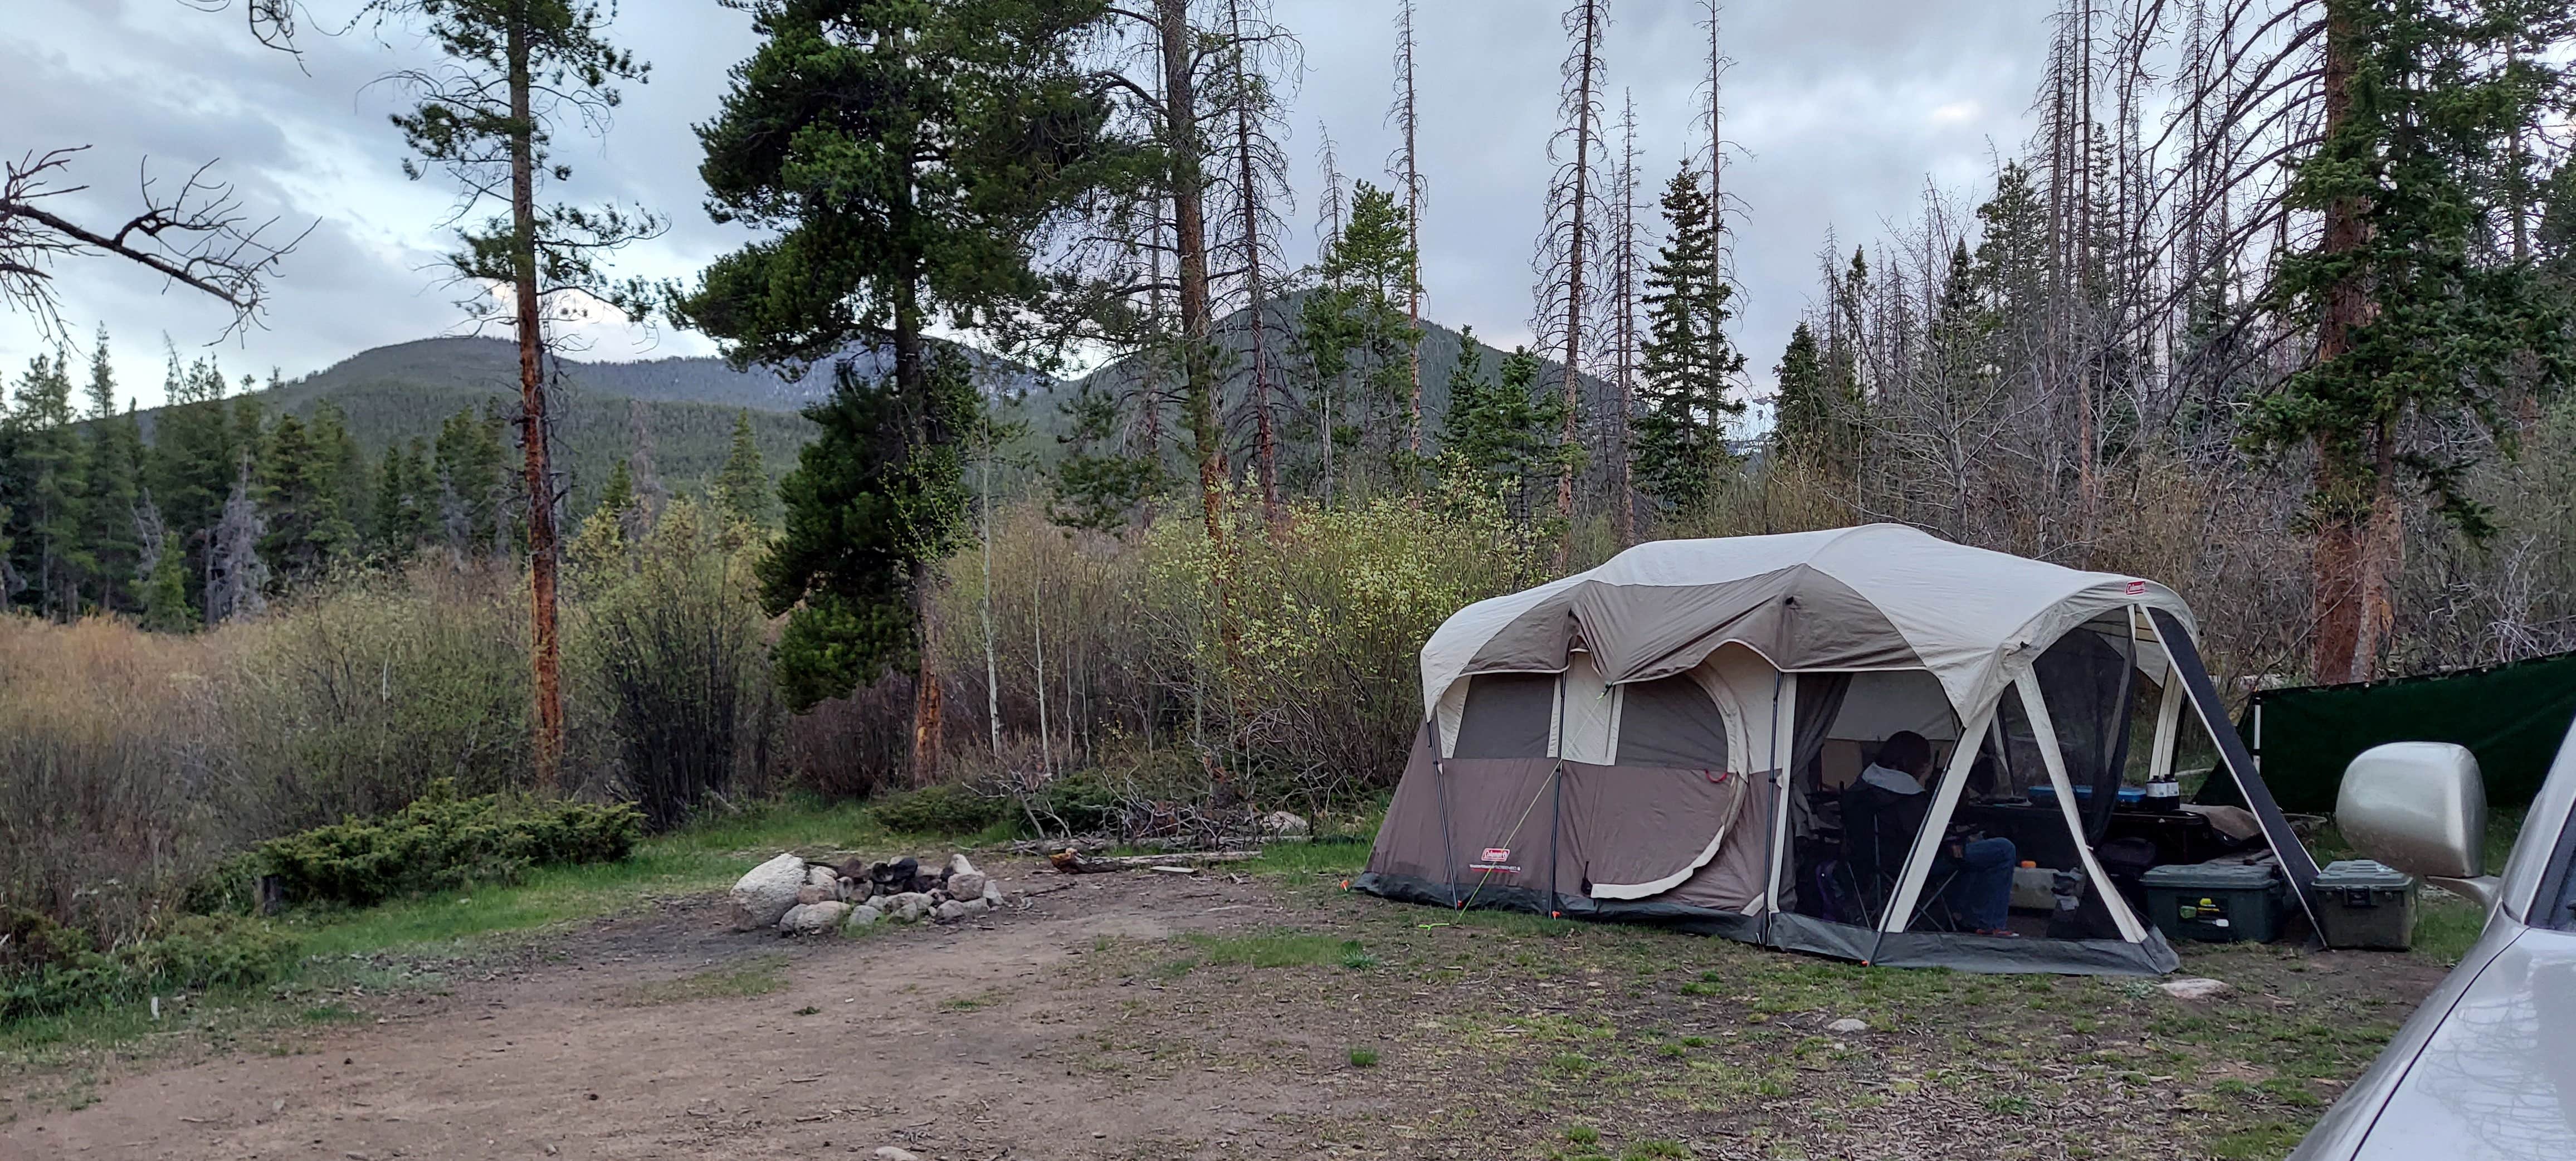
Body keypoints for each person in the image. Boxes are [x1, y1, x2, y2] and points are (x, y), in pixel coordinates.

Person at [1841, 730, 2019, 936]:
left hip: (1871, 864)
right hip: (1912, 866)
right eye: (1924, 764)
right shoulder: (1906, 796)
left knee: (1970, 853)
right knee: (2002, 849)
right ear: (1914, 763)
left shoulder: (1862, 787)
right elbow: (1930, 838)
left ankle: (1965, 917)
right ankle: (1989, 924)